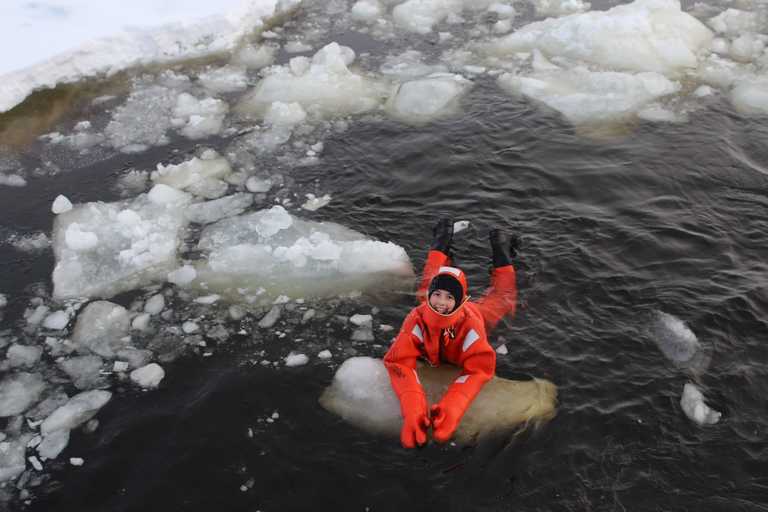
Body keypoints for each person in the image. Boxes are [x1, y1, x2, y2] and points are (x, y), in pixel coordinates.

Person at [383, 219, 519, 448]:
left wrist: (453, 406)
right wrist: (412, 408)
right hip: (432, 310)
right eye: (437, 295)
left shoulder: (472, 328)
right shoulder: (417, 317)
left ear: (460, 301)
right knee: (428, 281)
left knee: (504, 297)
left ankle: (501, 243)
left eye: (449, 298)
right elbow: (398, 362)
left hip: (479, 315)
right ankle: (443, 234)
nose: (440, 303)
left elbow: (479, 369)